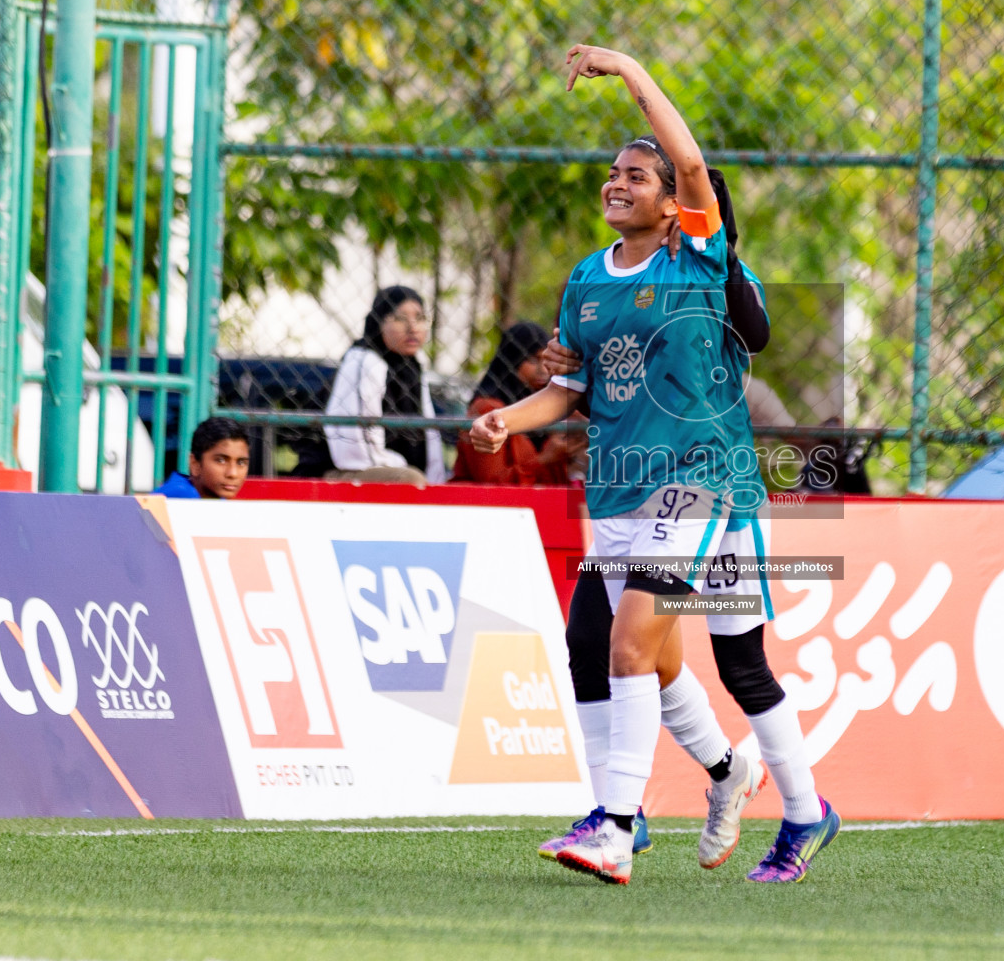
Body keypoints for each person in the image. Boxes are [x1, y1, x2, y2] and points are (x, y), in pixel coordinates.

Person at [471, 44, 837, 886]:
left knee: (639, 649)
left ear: (676, 206)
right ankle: (747, 786)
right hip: (622, 489)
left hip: (705, 483)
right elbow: (568, 391)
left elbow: (693, 159)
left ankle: (619, 823)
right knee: (664, 658)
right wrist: (505, 423)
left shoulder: (697, 260)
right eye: (612, 172)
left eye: (638, 174)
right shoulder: (585, 283)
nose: (617, 182)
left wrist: (629, 70)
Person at [536, 168, 822, 879]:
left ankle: (805, 813)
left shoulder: (716, 268)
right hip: (634, 489)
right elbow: (601, 374)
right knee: (602, 640)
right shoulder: (621, 278)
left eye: (699, 208)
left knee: (739, 665)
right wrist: (565, 362)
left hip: (712, 491)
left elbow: (754, 332)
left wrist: (716, 259)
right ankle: (658, 798)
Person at [323, 286, 444, 486]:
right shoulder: (364, 359)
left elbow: (430, 436)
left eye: (420, 318)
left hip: (393, 469)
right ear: (380, 322)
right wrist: (406, 469)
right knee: (410, 481)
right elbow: (355, 448)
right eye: (400, 318)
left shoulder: (413, 366)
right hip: (345, 471)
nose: (413, 328)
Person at [452, 320, 584, 485]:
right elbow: (490, 486)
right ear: (513, 361)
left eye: (545, 360)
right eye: (533, 360)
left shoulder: (549, 406)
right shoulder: (490, 410)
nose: (543, 370)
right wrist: (545, 459)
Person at [154, 417, 251, 500]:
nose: (233, 474)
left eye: (241, 462)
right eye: (221, 460)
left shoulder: (215, 498)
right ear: (195, 463)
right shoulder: (183, 495)